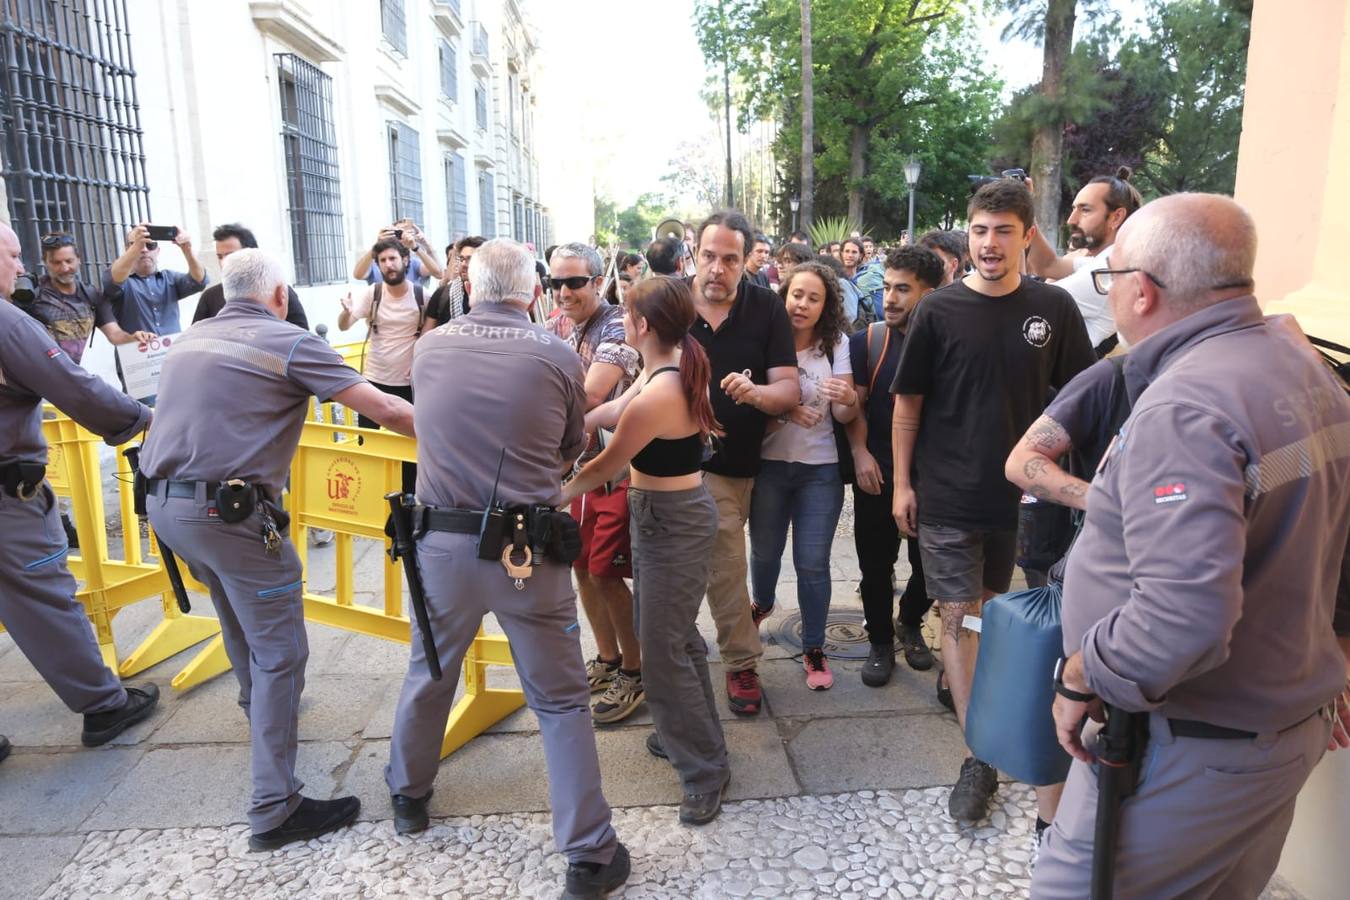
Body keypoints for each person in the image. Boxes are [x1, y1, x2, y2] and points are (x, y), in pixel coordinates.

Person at [1031, 193, 1350, 898]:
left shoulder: (1187, 406)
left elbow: (1184, 619)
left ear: (1141, 292)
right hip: (1274, 729)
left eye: (1112, 279)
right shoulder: (1305, 367)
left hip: (1189, 748)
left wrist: (1083, 673)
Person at [140, 247, 414, 850]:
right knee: (282, 650)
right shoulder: (288, 340)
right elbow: (388, 409)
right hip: (227, 513)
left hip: (166, 507)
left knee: (239, 621)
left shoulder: (191, 339)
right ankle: (274, 806)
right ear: (280, 295)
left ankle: (259, 709)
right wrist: (465, 437)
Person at [384, 239, 630, 898]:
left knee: (430, 668)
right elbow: (571, 445)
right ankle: (587, 852)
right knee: (558, 700)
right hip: (528, 549)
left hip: (441, 544)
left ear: (470, 287)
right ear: (533, 293)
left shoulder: (429, 348)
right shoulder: (554, 354)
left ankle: (407, 795)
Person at [891, 179, 1095, 823]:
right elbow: (907, 404)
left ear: (1027, 236)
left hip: (1024, 501)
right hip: (947, 495)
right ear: (968, 234)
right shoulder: (938, 310)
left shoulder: (1053, 309)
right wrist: (902, 482)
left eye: (1004, 230)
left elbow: (1083, 395)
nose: (989, 243)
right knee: (958, 616)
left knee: (991, 612)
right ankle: (978, 755)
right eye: (980, 229)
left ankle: (991, 715)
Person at [562, 275, 730, 825]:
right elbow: (608, 414)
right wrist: (567, 427)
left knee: (661, 651)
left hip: (671, 523)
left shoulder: (661, 390)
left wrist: (553, 491)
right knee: (675, 638)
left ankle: (704, 769)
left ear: (644, 326)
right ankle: (695, 737)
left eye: (628, 314)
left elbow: (606, 466)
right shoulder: (666, 366)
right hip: (666, 517)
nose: (622, 321)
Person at [0, 222, 160, 755]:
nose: (21, 267)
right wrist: (144, 419)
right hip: (8, 499)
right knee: (43, 598)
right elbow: (72, 385)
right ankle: (104, 706)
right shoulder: (7, 321)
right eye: (14, 255)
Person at [689, 210, 800, 716]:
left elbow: (788, 390)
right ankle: (740, 662)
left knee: (758, 564)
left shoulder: (765, 306)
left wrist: (756, 393)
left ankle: (705, 654)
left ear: (746, 261)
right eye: (709, 256)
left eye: (729, 259)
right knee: (727, 566)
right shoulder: (672, 303)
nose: (718, 268)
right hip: (692, 465)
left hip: (758, 461)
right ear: (694, 253)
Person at [747, 261, 858, 690]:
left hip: (820, 471)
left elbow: (847, 414)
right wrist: (786, 408)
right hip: (770, 465)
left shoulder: (836, 346)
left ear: (826, 305)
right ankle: (762, 603)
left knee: (813, 563)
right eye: (797, 295)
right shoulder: (766, 340)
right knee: (765, 552)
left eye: (814, 298)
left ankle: (814, 646)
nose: (803, 304)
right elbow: (753, 400)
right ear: (784, 295)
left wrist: (849, 397)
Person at [549, 242, 644, 724]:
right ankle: (608, 659)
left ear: (596, 282)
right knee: (584, 569)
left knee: (606, 572)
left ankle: (635, 668)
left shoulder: (614, 326)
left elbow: (590, 396)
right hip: (586, 472)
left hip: (620, 471)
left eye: (574, 282)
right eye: (556, 283)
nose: (563, 292)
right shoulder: (569, 326)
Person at [847, 246, 943, 687]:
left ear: (929, 293)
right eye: (886, 287)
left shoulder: (949, 341)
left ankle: (909, 622)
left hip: (935, 480)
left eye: (903, 289)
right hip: (878, 475)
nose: (890, 298)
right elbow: (857, 407)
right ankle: (881, 641)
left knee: (929, 569)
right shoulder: (870, 340)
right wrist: (860, 453)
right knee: (874, 566)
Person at [1026, 167, 1143, 356]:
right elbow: (1047, 265)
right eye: (1074, 209)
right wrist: (1025, 209)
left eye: (1085, 210)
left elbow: (1031, 302)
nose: (1072, 219)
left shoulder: (1112, 267)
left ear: (1116, 217)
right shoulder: (1108, 258)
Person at [103, 223, 207, 402]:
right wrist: (135, 246)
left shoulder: (169, 278)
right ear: (128, 249)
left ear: (157, 250)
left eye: (149, 245)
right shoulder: (122, 280)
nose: (143, 250)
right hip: (139, 367)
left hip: (173, 362)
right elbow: (113, 281)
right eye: (136, 245)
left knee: (182, 408)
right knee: (148, 419)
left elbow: (200, 280)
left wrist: (187, 249)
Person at [27, 233, 154, 362]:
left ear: (79, 259)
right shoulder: (33, 294)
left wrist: (134, 338)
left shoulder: (91, 294)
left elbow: (115, 335)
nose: (64, 268)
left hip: (80, 374)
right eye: (56, 263)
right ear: (45, 263)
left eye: (69, 261)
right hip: (46, 375)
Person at [191, 223, 309, 329]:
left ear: (252, 254)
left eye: (230, 255)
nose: (224, 262)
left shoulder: (280, 291)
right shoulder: (210, 297)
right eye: (220, 256)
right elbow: (196, 338)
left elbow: (302, 338)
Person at [351, 219, 443, 285]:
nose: (401, 238)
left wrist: (426, 245)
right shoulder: (379, 261)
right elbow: (358, 275)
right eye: (397, 233)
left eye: (405, 233)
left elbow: (439, 274)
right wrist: (377, 246)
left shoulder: (413, 262)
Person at [427, 235, 485, 323]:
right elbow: (427, 332)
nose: (464, 264)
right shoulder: (443, 294)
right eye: (461, 259)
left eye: (470, 259)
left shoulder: (498, 297)